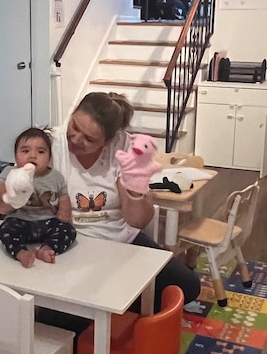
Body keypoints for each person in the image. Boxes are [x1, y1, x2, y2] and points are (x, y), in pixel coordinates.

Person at [37, 91, 201, 332]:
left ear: (108, 141)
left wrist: (135, 189)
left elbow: (137, 220)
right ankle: (108, 305)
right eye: (75, 125)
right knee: (61, 326)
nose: (76, 138)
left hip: (121, 241)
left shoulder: (126, 150)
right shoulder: (51, 144)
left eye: (89, 138)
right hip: (71, 244)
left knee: (187, 285)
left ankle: (112, 304)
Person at [0, 127, 77, 268]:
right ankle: (20, 253)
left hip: (48, 221)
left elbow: (63, 195)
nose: (32, 156)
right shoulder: (11, 172)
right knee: (5, 229)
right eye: (25, 151)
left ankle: (47, 248)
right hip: (20, 221)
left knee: (69, 230)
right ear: (15, 156)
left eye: (41, 151)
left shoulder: (55, 176)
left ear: (49, 158)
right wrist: (5, 193)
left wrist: (64, 210)